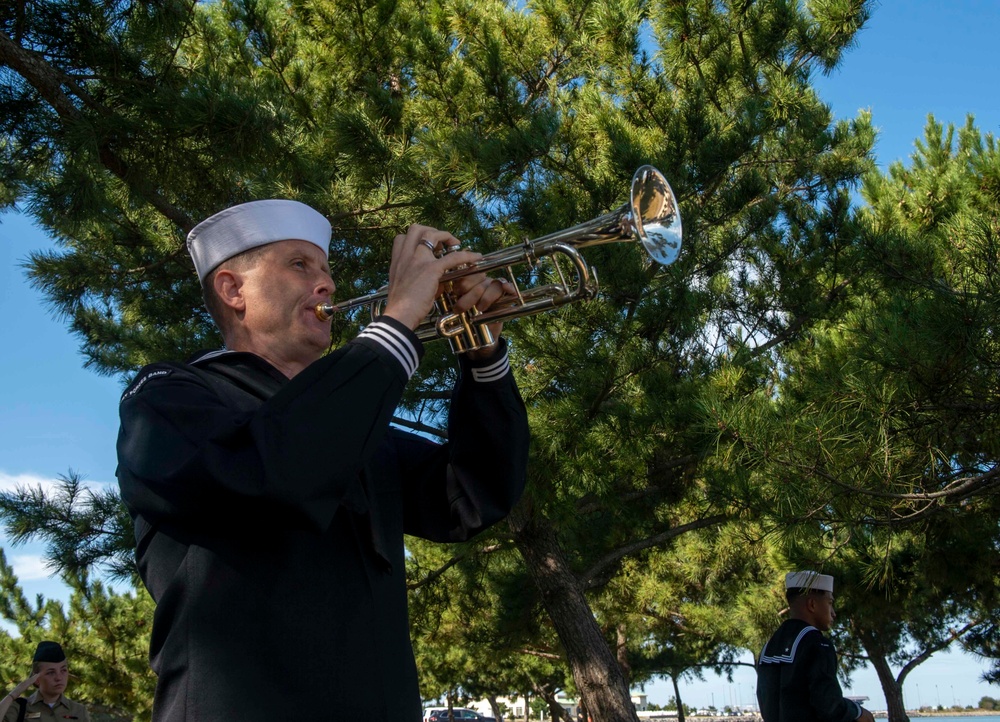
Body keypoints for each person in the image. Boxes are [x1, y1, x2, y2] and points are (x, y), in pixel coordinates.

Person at [115, 200, 531, 721]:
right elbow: (271, 471)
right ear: (232, 289)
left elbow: (470, 496)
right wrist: (397, 321)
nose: (327, 283)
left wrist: (483, 351)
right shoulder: (167, 397)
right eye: (299, 265)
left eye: (327, 268)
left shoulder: (350, 426)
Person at [756, 571, 875, 722]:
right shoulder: (818, 644)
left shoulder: (769, 646)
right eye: (830, 603)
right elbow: (829, 706)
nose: (833, 613)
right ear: (812, 604)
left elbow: (766, 700)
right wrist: (858, 712)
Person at [1, 642, 90, 722]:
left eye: (63, 670)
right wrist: (14, 694)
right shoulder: (20, 707)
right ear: (36, 678)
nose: (59, 678)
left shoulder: (79, 711)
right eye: (51, 672)